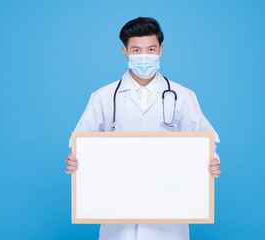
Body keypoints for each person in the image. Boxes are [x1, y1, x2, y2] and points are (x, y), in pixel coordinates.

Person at [65, 17, 221, 240]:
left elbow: (205, 142)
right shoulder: (103, 97)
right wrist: (75, 160)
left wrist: (212, 162)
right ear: (125, 52)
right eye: (136, 50)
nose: (144, 56)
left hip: (169, 211)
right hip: (117, 211)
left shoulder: (183, 96)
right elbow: (80, 144)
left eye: (151, 49)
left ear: (161, 50)